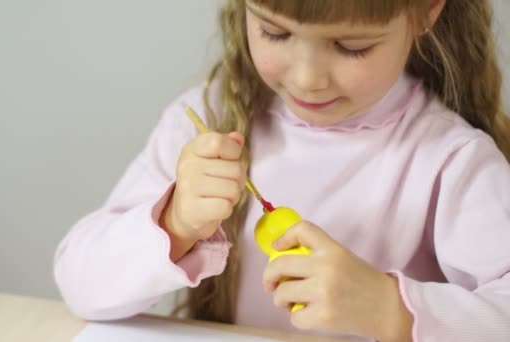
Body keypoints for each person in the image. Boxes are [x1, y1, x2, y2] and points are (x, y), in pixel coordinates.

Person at [54, 0, 510, 340]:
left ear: (426, 11)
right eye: (275, 33)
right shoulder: (205, 121)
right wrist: (174, 224)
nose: (308, 77)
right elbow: (81, 284)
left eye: (351, 46)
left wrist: (392, 310)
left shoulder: (450, 159)